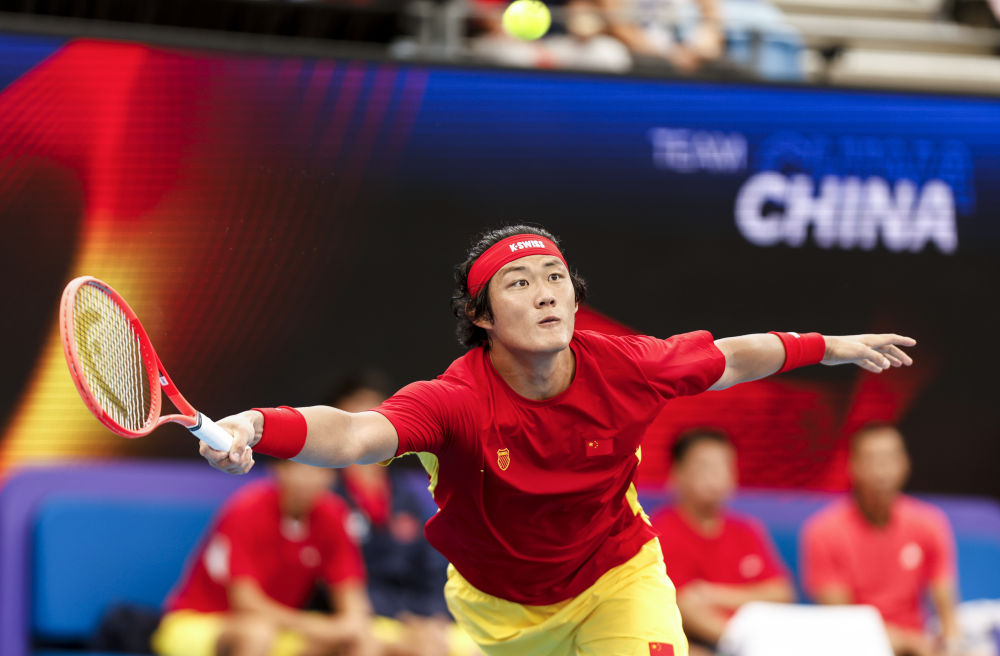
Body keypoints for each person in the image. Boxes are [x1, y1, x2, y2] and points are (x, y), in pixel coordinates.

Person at [199, 224, 915, 656]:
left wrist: (828, 347)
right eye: (518, 283)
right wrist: (258, 425)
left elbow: (731, 358)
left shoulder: (628, 366)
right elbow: (356, 433)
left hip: (615, 576)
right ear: (481, 317)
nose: (544, 291)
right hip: (501, 611)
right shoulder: (454, 402)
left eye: (554, 277)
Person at [151, 460, 374, 656]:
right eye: (299, 467)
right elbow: (247, 604)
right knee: (256, 634)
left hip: (278, 629)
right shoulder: (246, 509)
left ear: (332, 476)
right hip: (198, 623)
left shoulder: (335, 515)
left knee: (364, 639)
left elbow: (352, 598)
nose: (308, 477)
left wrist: (350, 626)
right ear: (279, 469)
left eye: (320, 469)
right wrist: (315, 627)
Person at [329, 375, 481, 656]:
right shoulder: (328, 493)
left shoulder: (406, 495)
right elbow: (335, 577)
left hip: (413, 612)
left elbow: (433, 564)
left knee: (456, 644)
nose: (366, 416)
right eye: (357, 407)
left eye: (375, 407)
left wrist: (433, 614)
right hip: (360, 612)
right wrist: (399, 615)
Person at [800, 423, 962, 656]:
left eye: (890, 459)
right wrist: (907, 642)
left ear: (905, 463)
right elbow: (841, 621)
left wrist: (952, 646)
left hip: (918, 646)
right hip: (856, 647)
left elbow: (947, 610)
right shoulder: (823, 532)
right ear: (852, 466)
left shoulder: (930, 523)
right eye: (871, 460)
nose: (881, 472)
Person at [651, 428, 794, 656]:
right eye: (705, 467)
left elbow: (781, 593)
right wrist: (737, 642)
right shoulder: (658, 532)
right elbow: (679, 603)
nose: (716, 477)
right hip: (697, 643)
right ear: (678, 473)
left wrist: (714, 594)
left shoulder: (747, 530)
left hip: (757, 640)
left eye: (724, 466)